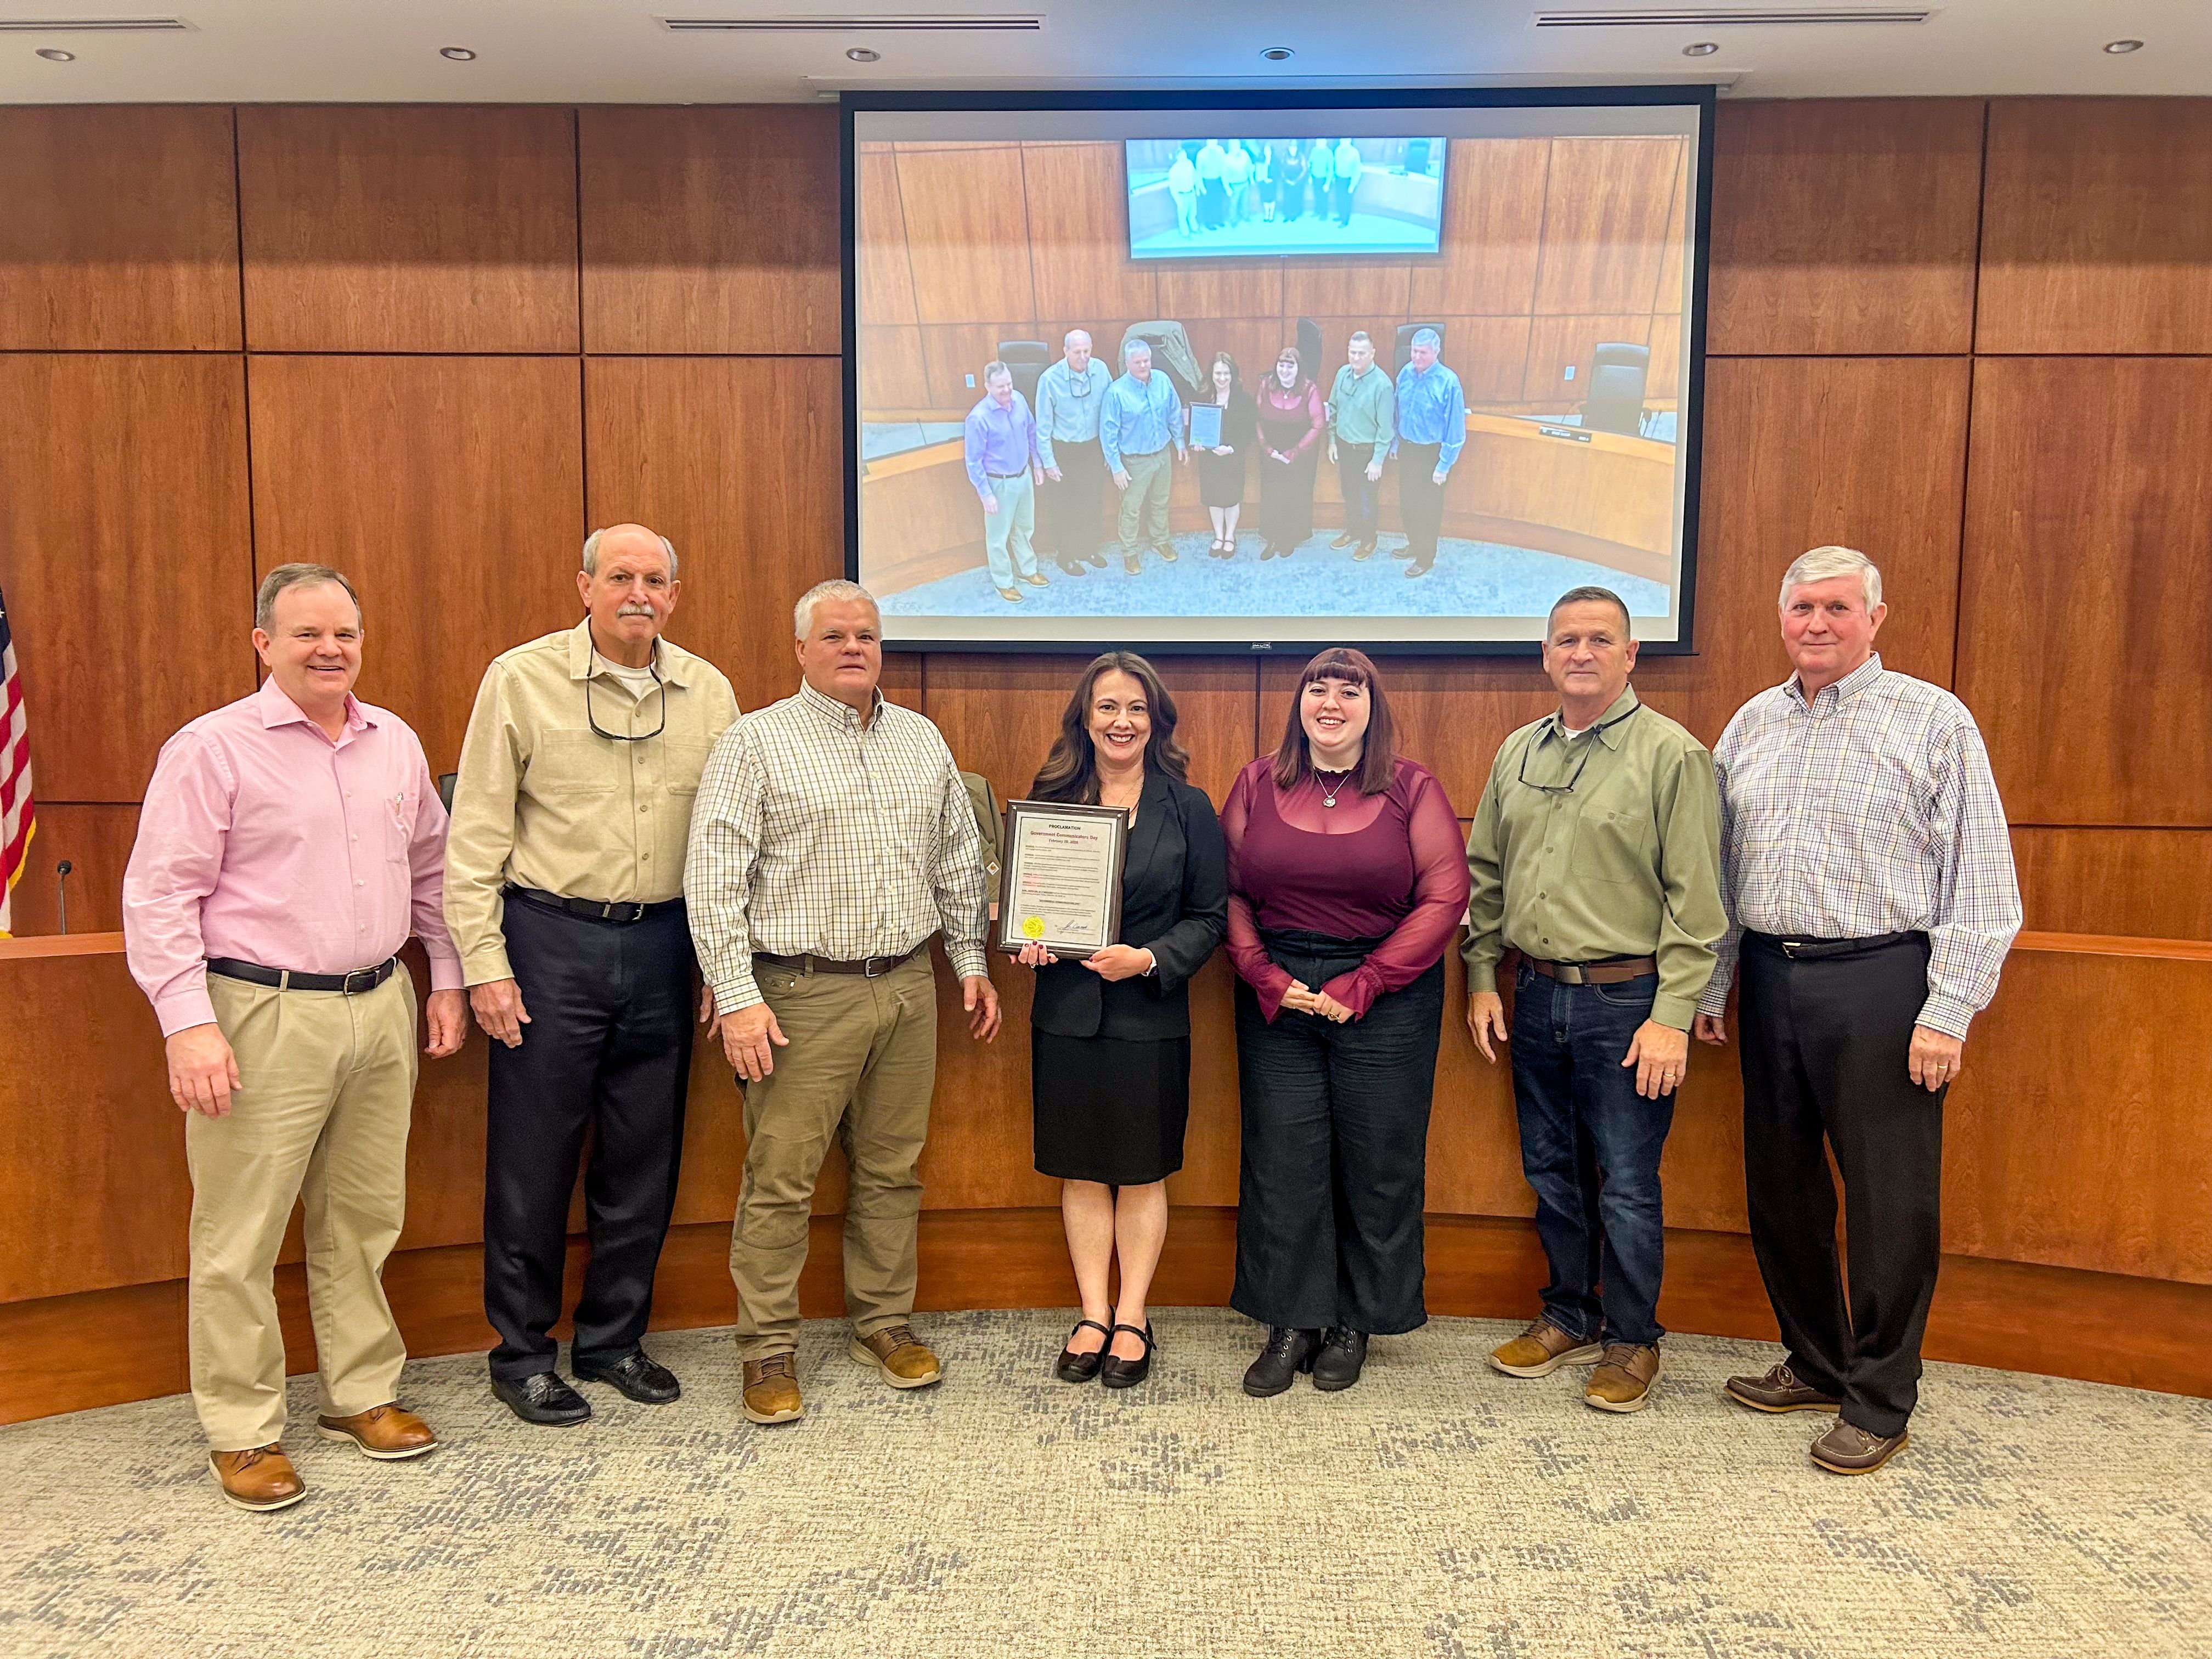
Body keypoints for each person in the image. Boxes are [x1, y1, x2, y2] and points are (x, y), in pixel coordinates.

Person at [123, 563, 467, 1512]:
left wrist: (442, 975)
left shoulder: (392, 740)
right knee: (239, 1231)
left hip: (379, 1003)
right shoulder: (213, 748)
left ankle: (360, 1391)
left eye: (346, 634)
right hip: (259, 1009)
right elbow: (160, 894)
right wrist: (188, 1023)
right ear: (263, 643)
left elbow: (432, 867)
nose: (330, 649)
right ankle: (242, 1427)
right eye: (308, 633)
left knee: (363, 1215)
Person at [1695, 546, 2020, 1476]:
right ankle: (1816, 1358)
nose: (1817, 623)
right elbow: (1721, 870)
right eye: (1801, 606)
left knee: (1888, 1199)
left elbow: (1984, 881)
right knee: (1782, 1184)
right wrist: (1717, 983)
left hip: (1882, 979)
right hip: (1766, 971)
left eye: (1838, 606)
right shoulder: (1750, 722)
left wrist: (1947, 1007)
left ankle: (1880, 1398)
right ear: (1781, 617)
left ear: (1874, 617)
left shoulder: (1931, 721)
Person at [445, 524, 740, 1427]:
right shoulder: (520, 678)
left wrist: (718, 963)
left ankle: (612, 1339)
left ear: (676, 595)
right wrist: (483, 967)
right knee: (533, 1165)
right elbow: (475, 840)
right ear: (584, 584)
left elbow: (729, 843)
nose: (638, 592)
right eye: (620, 576)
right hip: (548, 942)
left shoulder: (709, 692)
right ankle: (523, 1354)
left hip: (664, 942)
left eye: (656, 578)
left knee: (641, 1160)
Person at [686, 579, 1000, 1427]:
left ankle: (884, 1322)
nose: (853, 646)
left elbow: (957, 861)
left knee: (894, 1170)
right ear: (801, 650)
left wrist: (969, 958)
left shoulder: (920, 740)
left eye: (866, 634)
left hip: (907, 984)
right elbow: (713, 880)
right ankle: (767, 1347)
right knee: (781, 1180)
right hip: (798, 992)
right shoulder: (754, 743)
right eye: (834, 635)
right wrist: (740, 995)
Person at [1463, 588, 1727, 1415]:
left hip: (1630, 1003)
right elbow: (1487, 879)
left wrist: (1672, 1017)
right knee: (1550, 1170)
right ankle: (1569, 1314)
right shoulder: (1517, 752)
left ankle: (1633, 1339)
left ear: (1630, 654)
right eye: (1566, 639)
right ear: (1546, 654)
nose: (1581, 652)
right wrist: (1480, 977)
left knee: (1625, 1181)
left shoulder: (1672, 755)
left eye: (1599, 639)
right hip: (1536, 996)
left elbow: (1698, 904)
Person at [1222, 650, 1469, 1397]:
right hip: (1280, 994)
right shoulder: (1259, 782)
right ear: (1299, 702)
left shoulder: (1412, 785)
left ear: (1373, 705)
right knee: (1284, 1160)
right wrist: (1265, 976)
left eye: (1349, 690)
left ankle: (1357, 1320)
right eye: (1318, 689)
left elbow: (1444, 896)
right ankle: (1292, 1320)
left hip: (1388, 991)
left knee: (1377, 1160)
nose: (1332, 703)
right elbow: (1228, 891)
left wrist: (1367, 981)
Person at [1018, 654, 1227, 1390]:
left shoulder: (1190, 807)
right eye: (1107, 707)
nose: (1121, 721)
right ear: (1085, 718)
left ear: (1156, 720)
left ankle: (1133, 1316)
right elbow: (1030, 904)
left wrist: (1146, 959)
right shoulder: (1052, 800)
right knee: (1080, 1169)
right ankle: (1092, 1312)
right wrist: (1031, 936)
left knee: (1140, 1172)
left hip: (1150, 1013)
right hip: (1068, 1017)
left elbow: (1210, 918)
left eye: (1136, 708)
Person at [1099, 338, 1188, 575]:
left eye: (1146, 360)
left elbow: (1174, 412)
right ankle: (1129, 552)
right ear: (1127, 363)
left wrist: (1180, 442)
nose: (1143, 366)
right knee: (1131, 509)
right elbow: (1108, 434)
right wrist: (1117, 468)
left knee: (1161, 502)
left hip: (1162, 454)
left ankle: (1161, 540)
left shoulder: (1163, 381)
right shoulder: (1116, 392)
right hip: (1134, 462)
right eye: (1137, 362)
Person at [964, 360, 1047, 606]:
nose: (1007, 390)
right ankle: (1004, 582)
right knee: (998, 537)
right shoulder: (978, 418)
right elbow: (973, 461)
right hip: (998, 484)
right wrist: (985, 494)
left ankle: (1028, 569)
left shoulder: (1020, 400)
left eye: (1009, 384)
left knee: (1024, 527)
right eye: (1000, 386)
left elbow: (1031, 432)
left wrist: (1038, 464)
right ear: (987, 386)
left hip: (1024, 477)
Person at [1035, 329, 1113, 578]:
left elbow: (1111, 412)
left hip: (1092, 448)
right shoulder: (1049, 380)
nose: (1083, 357)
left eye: (1087, 351)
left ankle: (1088, 549)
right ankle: (1066, 555)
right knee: (1064, 507)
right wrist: (1049, 462)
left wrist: (1110, 452)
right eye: (1077, 352)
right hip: (1064, 451)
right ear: (1065, 351)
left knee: (1092, 502)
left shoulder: (1100, 370)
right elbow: (1043, 428)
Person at [1390, 329, 1466, 578]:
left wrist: (1444, 466)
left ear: (1436, 352)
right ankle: (1414, 544)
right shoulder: (1405, 373)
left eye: (1423, 352)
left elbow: (1455, 429)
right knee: (1408, 503)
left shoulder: (1448, 382)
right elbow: (1397, 411)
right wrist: (1395, 444)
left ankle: (1425, 557)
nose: (1416, 357)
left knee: (1428, 509)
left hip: (1432, 454)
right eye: (1413, 350)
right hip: (1408, 449)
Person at [1326, 330, 1395, 561]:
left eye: (1361, 353)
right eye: (1352, 352)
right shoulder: (1342, 374)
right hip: (1345, 448)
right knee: (1349, 493)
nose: (1355, 358)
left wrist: (1378, 461)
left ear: (1372, 354)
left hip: (1367, 453)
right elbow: (1333, 409)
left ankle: (1368, 539)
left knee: (1367, 499)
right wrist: (1332, 441)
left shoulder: (1382, 386)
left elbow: (1386, 429)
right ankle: (1353, 532)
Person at [1254, 346, 1325, 561]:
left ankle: (1288, 538)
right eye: (1281, 365)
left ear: (1299, 368)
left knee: (1294, 495)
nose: (1284, 371)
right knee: (1272, 495)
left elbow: (1318, 424)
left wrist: (1295, 452)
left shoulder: (1310, 389)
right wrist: (1266, 448)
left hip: (1299, 455)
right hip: (1271, 453)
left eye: (1290, 366)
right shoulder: (1266, 385)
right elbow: (1256, 418)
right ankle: (1273, 538)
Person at [1191, 351, 1256, 558]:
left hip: (1232, 457)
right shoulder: (1202, 397)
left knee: (1231, 498)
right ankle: (1218, 536)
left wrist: (1232, 448)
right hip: (1210, 459)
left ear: (1233, 374)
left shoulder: (1243, 400)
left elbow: (1250, 432)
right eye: (1218, 373)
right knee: (1214, 499)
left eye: (1226, 374)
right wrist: (1197, 444)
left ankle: (1230, 536)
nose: (1222, 378)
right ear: (1211, 374)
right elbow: (1192, 429)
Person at [1195, 138, 1228, 229]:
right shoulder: (1201, 154)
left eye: (1215, 142)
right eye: (1211, 142)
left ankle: (1219, 220)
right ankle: (1209, 223)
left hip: (1219, 180)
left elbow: (1224, 166)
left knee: (1219, 201)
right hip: (1207, 182)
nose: (1213, 144)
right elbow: (1199, 173)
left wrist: (1226, 184)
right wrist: (1201, 187)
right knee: (1209, 204)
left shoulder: (1221, 151)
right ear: (1207, 143)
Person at [1166, 146, 1199, 238]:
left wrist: (1197, 189)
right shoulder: (1174, 170)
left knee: (1193, 213)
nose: (1184, 157)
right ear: (1177, 157)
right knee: (1183, 217)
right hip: (1181, 196)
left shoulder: (1189, 164)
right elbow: (1172, 187)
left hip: (1191, 193)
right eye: (1182, 156)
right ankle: (1185, 233)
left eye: (1185, 155)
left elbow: (1194, 176)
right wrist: (1178, 201)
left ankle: (1195, 228)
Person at [1221, 139, 1253, 227]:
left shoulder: (1244, 154)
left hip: (1245, 182)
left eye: (1238, 146)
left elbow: (1249, 167)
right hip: (1234, 185)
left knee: (1245, 201)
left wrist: (1251, 179)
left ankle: (1245, 216)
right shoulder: (1227, 159)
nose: (1237, 148)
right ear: (1231, 147)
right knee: (1234, 204)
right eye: (1235, 146)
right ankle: (1233, 220)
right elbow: (1224, 176)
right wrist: (1227, 189)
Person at [1332, 138, 1363, 225]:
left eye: (1346, 140)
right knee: (1339, 199)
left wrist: (1352, 186)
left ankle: (1345, 221)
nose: (1344, 142)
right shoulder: (1338, 150)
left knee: (1347, 202)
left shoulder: (1354, 152)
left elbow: (1357, 171)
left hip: (1349, 181)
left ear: (1350, 141)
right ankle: (1341, 216)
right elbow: (1336, 165)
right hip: (1339, 179)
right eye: (1342, 140)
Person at [1306, 139, 1336, 225]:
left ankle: (1324, 214)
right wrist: (1310, 177)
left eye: (1321, 142)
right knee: (1317, 196)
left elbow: (1331, 170)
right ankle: (1317, 211)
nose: (1319, 144)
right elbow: (1311, 163)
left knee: (1324, 198)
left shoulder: (1329, 153)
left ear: (1325, 142)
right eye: (1318, 142)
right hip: (1315, 178)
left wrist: (1327, 184)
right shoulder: (1314, 150)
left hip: (1324, 179)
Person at [1277, 142, 1308, 221]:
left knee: (1295, 198)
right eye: (1291, 147)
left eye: (1295, 148)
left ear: (1297, 148)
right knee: (1287, 198)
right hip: (1287, 181)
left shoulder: (1301, 156)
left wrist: (1296, 181)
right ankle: (1287, 214)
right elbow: (1281, 169)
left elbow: (1304, 170)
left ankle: (1294, 214)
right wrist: (1286, 180)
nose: (1293, 150)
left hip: (1298, 181)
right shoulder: (1285, 155)